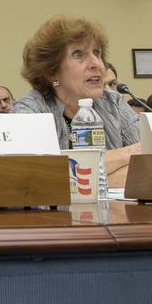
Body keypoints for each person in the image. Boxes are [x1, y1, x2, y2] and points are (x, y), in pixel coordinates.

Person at [10, 15, 140, 184]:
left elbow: (151, 166)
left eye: (97, 53)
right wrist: (125, 155)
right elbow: (42, 179)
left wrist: (85, 178)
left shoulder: (113, 103)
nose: (97, 64)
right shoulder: (30, 112)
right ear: (51, 71)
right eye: (79, 54)